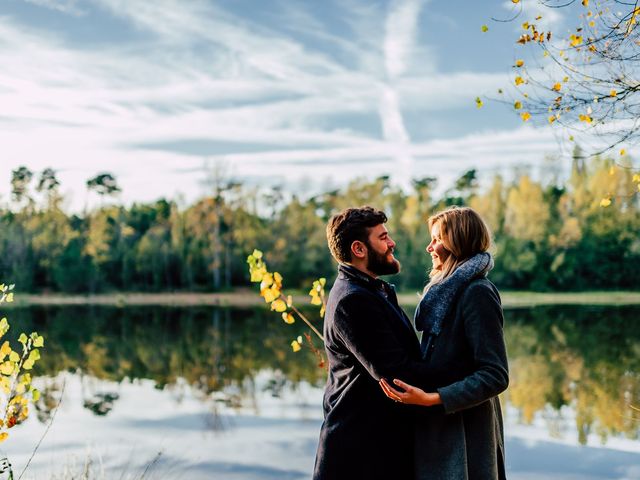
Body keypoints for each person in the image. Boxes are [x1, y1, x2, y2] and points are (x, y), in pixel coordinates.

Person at [379, 206, 509, 480]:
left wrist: (433, 399)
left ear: (457, 243)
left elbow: (495, 375)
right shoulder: (444, 290)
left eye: (436, 238)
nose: (429, 247)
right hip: (441, 424)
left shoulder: (477, 292)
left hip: (467, 430)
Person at [313, 206, 425, 480]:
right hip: (358, 457)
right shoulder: (353, 299)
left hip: (375, 451)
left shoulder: (373, 290)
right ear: (359, 249)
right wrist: (468, 374)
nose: (391, 243)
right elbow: (399, 374)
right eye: (383, 237)